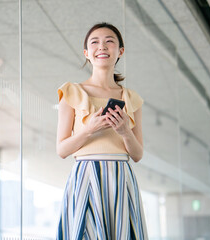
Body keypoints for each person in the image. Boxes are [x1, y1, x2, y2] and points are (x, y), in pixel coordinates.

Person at [56, 23, 148, 239]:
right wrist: (89, 130)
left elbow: (137, 154)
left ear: (120, 51)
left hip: (121, 176)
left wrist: (125, 130)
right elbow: (61, 149)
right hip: (85, 175)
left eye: (109, 41)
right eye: (95, 42)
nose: (102, 47)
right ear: (87, 53)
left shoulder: (132, 98)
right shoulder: (72, 92)